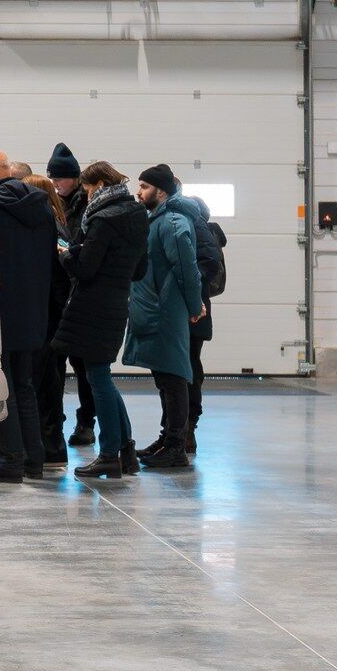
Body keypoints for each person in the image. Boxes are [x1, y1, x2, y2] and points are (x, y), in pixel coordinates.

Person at [54, 160, 153, 480]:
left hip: (93, 307)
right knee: (102, 377)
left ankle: (110, 454)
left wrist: (66, 255)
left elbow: (85, 269)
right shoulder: (137, 214)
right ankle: (125, 451)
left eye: (86, 189)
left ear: (97, 186)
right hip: (117, 303)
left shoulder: (103, 218)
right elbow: (139, 269)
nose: (86, 196)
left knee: (98, 379)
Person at [0, 149, 58, 484]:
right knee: (24, 384)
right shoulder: (42, 206)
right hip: (34, 309)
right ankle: (33, 458)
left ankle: (8, 458)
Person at [126, 164, 209, 469]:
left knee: (173, 377)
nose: (139, 192)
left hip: (166, 310)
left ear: (161, 191)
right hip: (157, 308)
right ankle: (166, 439)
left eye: (144, 186)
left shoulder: (173, 222)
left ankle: (176, 445)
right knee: (164, 376)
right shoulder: (158, 220)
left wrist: (194, 306)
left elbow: (187, 269)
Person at [44, 142, 95, 449]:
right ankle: (55, 424)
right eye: (52, 177)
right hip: (57, 294)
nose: (55, 183)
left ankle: (87, 422)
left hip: (79, 295)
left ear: (75, 177)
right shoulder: (51, 203)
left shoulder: (87, 205)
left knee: (84, 367)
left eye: (60, 178)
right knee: (54, 366)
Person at [27, 167, 74, 474]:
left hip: (48, 317)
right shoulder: (59, 225)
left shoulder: (50, 230)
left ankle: (48, 449)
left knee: (44, 385)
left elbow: (56, 278)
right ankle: (52, 449)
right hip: (53, 318)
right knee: (50, 384)